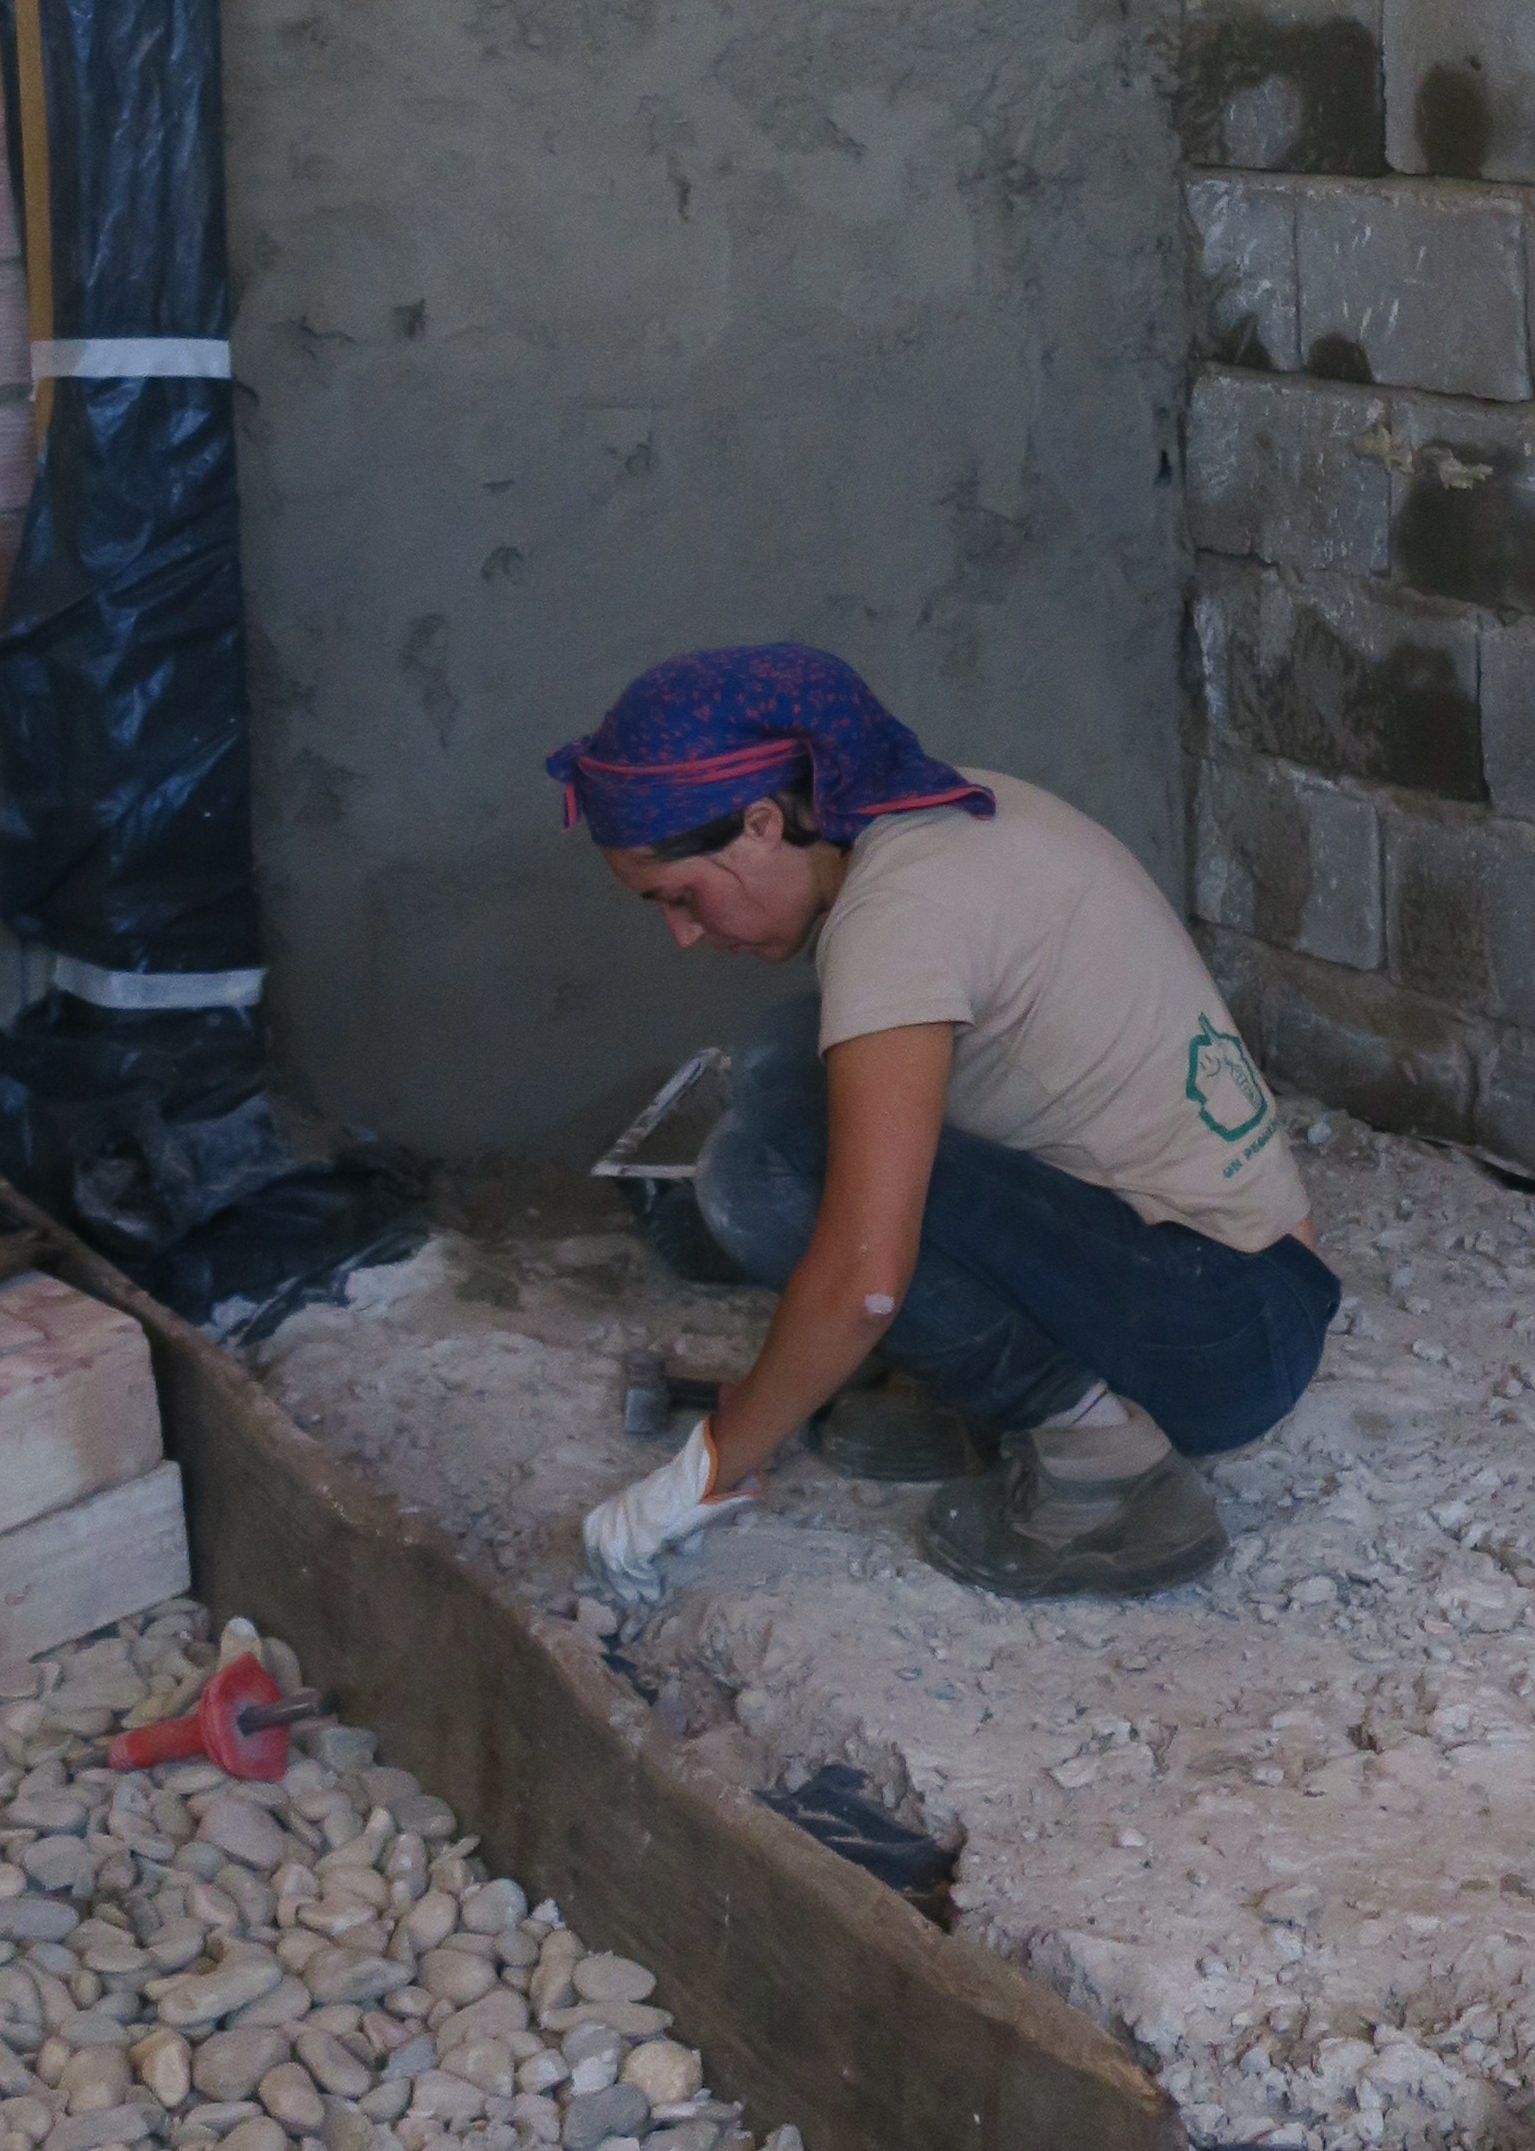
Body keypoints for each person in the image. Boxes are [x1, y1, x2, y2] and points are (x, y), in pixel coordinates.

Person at [548, 643, 1338, 1601]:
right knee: (782, 1062)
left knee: (761, 1173)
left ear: (761, 823)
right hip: (1244, 1276)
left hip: (1223, 1332)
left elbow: (863, 1281)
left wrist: (707, 1468)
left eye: (681, 897)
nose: (682, 934)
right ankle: (977, 1383)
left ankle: (1101, 1465)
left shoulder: (898, 916)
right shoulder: (926, 814)